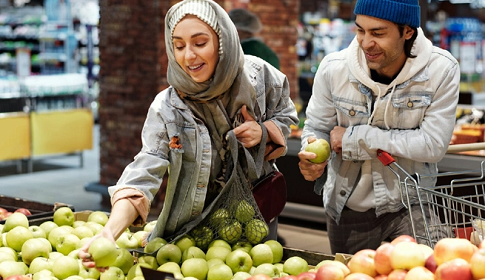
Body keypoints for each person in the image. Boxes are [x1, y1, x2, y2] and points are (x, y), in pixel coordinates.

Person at [78, 0, 298, 269]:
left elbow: (286, 115)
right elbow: (144, 169)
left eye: (200, 43)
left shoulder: (259, 77)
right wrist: (109, 233)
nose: (189, 56)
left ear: (222, 40)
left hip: (253, 215)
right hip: (190, 230)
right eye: (179, 46)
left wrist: (264, 131)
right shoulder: (169, 107)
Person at [298, 0, 460, 255]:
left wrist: (354, 139)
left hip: (411, 200)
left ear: (408, 31)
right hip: (348, 203)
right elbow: (317, 128)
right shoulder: (334, 68)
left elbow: (433, 145)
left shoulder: (440, 70)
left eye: (378, 33)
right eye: (360, 30)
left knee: (435, 268)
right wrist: (312, 153)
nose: (365, 42)